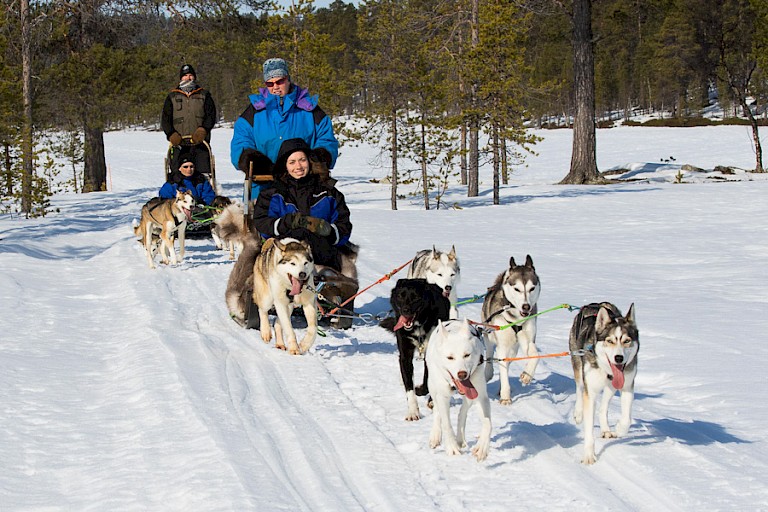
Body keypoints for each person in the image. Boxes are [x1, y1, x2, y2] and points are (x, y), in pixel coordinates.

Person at [230, 58, 339, 195]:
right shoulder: (253, 113)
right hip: (264, 187)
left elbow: (327, 139)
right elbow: (240, 142)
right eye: (270, 83)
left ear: (288, 79)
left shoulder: (310, 110)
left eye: (279, 81)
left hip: (305, 186)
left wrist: (318, 158)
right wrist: (253, 161)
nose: (275, 87)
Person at [252, 138, 351, 272]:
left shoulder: (329, 194)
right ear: (285, 165)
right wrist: (285, 223)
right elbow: (261, 223)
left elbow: (344, 225)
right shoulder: (271, 194)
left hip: (322, 255)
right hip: (284, 257)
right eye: (292, 162)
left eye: (302, 160)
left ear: (310, 162)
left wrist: (329, 231)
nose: (298, 167)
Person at [161, 64, 217, 176]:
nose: (188, 78)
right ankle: (178, 191)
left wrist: (203, 130)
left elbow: (211, 115)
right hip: (179, 142)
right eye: (185, 75)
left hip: (200, 141)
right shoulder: (172, 96)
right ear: (181, 78)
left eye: (191, 75)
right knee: (178, 173)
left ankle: (204, 190)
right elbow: (165, 118)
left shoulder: (204, 95)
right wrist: (171, 134)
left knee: (203, 173)